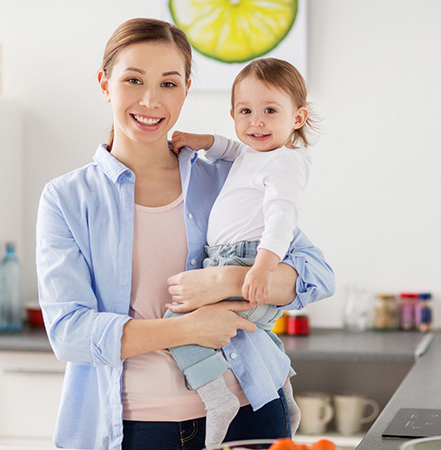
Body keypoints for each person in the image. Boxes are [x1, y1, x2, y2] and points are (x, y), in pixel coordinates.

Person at [35, 18, 335, 450]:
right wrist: (189, 328)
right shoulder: (68, 199)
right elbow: (69, 332)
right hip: (137, 427)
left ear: (187, 89)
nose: (151, 100)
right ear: (105, 84)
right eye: (133, 80)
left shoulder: (224, 176)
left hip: (250, 409)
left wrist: (227, 281)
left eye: (169, 84)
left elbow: (317, 273)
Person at [165, 57, 316, 447]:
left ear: (297, 117)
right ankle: (285, 395)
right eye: (246, 111)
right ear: (232, 114)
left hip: (248, 260)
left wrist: (264, 268)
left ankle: (217, 400)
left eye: (270, 111)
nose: (257, 122)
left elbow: (282, 216)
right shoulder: (253, 153)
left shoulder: (285, 161)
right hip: (232, 259)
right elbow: (232, 149)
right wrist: (204, 141)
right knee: (257, 332)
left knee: (176, 323)